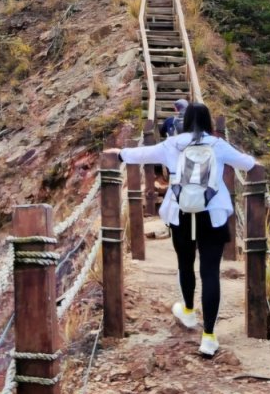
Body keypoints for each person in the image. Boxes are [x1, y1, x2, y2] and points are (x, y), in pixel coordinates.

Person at [106, 102, 256, 357]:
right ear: (209, 123)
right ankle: (209, 337)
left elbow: (141, 155)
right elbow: (248, 164)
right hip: (213, 214)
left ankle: (187, 312)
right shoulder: (218, 145)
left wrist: (118, 154)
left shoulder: (171, 145)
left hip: (181, 213)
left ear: (184, 122)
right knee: (210, 273)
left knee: (185, 265)